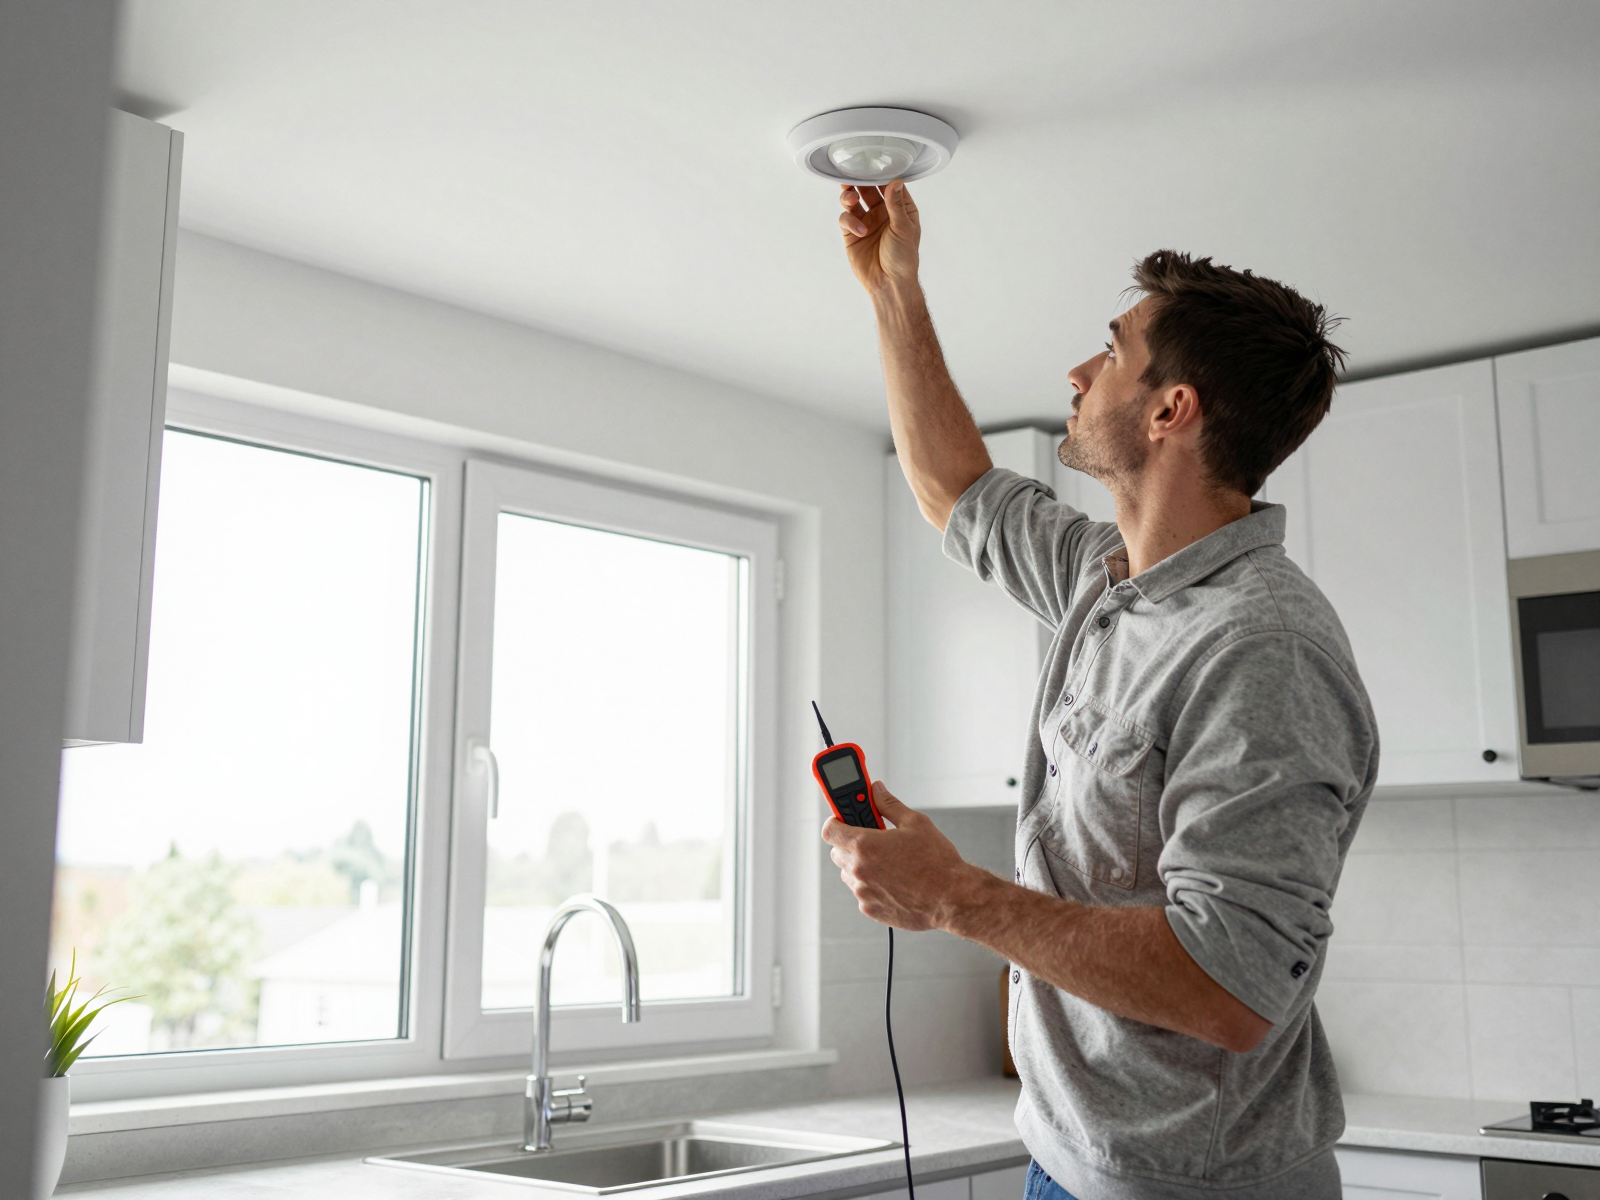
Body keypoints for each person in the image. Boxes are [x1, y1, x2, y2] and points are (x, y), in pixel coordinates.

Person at [820, 180, 1379, 1200]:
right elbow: (956, 493)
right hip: (1070, 1157)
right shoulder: (1102, 581)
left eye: (1111, 351)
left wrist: (951, 894)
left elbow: (1229, 986)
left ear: (1171, 409)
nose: (1078, 371)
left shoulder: (1261, 648)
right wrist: (894, 289)